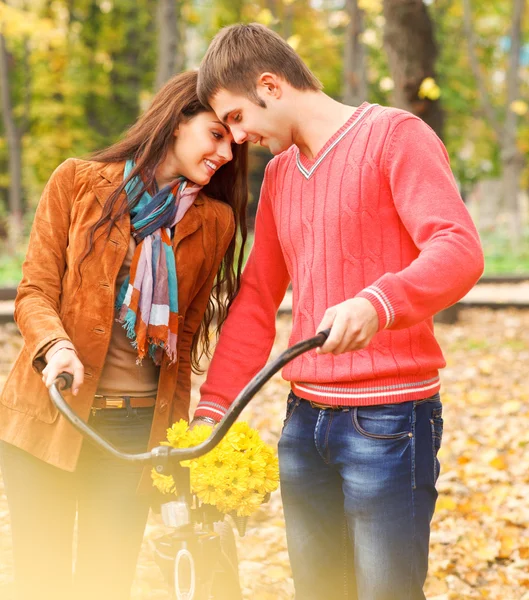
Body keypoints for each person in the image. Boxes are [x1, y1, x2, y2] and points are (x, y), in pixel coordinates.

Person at [191, 23, 484, 600]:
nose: (238, 138)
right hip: (305, 424)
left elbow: (459, 248)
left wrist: (381, 302)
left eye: (236, 118)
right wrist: (214, 407)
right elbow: (255, 299)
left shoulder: (396, 137)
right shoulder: (279, 176)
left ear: (270, 86)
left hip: (389, 421)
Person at [0, 70, 248, 600]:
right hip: (51, 414)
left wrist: (178, 444)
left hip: (135, 433)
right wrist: (56, 347)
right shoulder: (78, 182)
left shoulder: (215, 221)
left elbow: (182, 343)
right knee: (39, 583)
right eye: (216, 134)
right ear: (176, 121)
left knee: (105, 584)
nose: (226, 154)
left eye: (233, 142)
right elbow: (35, 292)